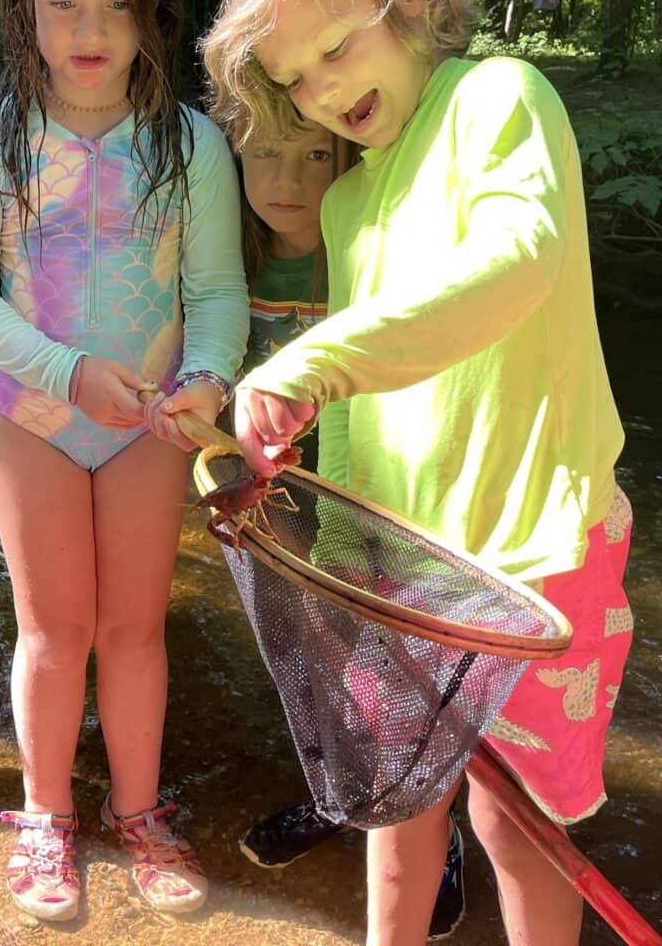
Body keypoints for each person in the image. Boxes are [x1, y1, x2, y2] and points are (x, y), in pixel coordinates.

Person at [199, 0, 633, 946]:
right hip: (398, 569)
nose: (321, 89)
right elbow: (355, 412)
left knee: (519, 819)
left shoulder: (500, 99)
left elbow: (514, 262)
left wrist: (312, 361)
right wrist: (340, 554)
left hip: (533, 554)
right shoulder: (348, 205)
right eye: (295, 77)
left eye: (337, 49)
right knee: (398, 810)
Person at [0, 0, 249, 923]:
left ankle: (142, 810)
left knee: (135, 630)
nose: (90, 28)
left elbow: (214, 292)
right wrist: (66, 373)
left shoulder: (190, 147)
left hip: (153, 423)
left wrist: (207, 377)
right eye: (63, 4)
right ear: (24, 9)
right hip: (36, 420)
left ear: (151, 7)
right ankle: (45, 812)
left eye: (115, 4)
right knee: (52, 631)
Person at [232, 118, 465, 939]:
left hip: (368, 495)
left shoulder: (363, 252)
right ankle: (348, 796)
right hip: (282, 503)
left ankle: (434, 823)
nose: (286, 178)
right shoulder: (233, 254)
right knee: (319, 662)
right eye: (264, 153)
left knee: (393, 665)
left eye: (314, 157)